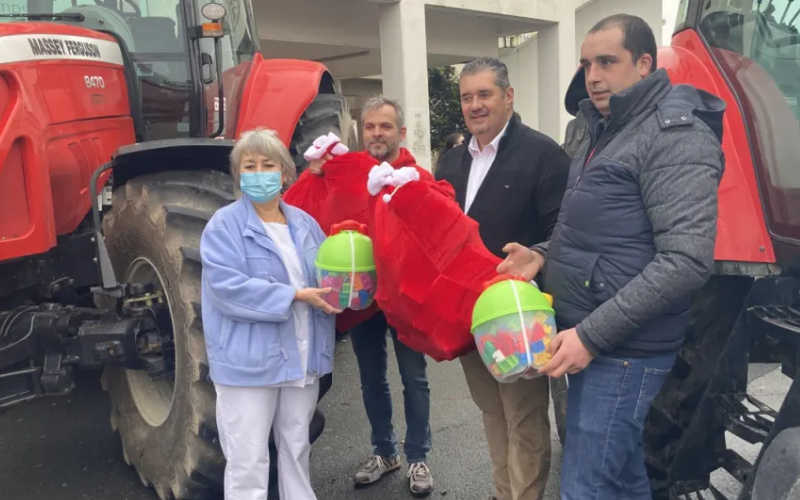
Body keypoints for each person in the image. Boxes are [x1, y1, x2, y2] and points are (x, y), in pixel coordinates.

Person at [497, 14, 725, 499]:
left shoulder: (674, 135)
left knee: (586, 487)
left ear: (644, 64)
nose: (592, 75)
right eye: (585, 63)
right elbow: (582, 227)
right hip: (594, 339)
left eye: (606, 61)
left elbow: (685, 260)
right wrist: (540, 254)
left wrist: (591, 338)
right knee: (621, 478)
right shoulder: (602, 128)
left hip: (623, 351)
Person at [435, 57, 571, 500]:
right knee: (492, 412)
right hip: (471, 317)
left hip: (521, 318)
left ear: (508, 97)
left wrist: (537, 256)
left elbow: (564, 232)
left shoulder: (543, 155)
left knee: (525, 418)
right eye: (467, 97)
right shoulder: (451, 162)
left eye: (484, 95)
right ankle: (502, 492)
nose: (474, 106)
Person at [199, 128, 341, 500]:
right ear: (239, 175)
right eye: (250, 165)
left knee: (296, 447)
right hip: (249, 364)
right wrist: (294, 295)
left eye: (268, 165)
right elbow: (228, 290)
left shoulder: (306, 225)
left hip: (302, 356)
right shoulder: (224, 226)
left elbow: (327, 275)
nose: (259, 173)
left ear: (284, 173)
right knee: (247, 460)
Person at [308, 96, 436, 496]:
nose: (376, 134)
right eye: (369, 127)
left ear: (401, 132)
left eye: (385, 126)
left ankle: (418, 457)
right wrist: (317, 176)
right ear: (361, 132)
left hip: (405, 299)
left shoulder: (419, 178)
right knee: (371, 379)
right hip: (362, 299)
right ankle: (385, 452)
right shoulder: (351, 175)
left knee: (414, 378)